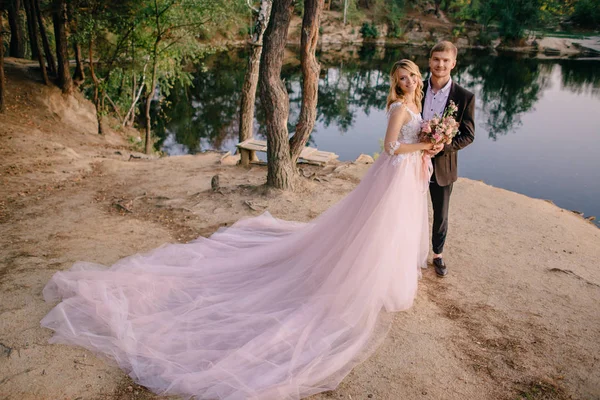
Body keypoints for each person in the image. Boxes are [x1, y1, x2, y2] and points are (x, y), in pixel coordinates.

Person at [41, 60, 434, 400]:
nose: (409, 82)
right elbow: (389, 147)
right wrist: (423, 147)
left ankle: (386, 282)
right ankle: (368, 280)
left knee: (391, 231)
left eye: (412, 76)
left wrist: (429, 144)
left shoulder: (415, 104)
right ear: (395, 83)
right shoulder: (399, 108)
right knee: (378, 229)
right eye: (402, 78)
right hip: (393, 172)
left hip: (402, 179)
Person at [422, 41, 475, 277]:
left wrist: (443, 146)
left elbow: (468, 135)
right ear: (430, 61)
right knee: (407, 206)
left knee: (440, 213)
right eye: (436, 59)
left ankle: (437, 254)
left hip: (443, 165)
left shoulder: (464, 97)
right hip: (413, 161)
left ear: (453, 63)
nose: (440, 64)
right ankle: (405, 250)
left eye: (445, 60)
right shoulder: (416, 88)